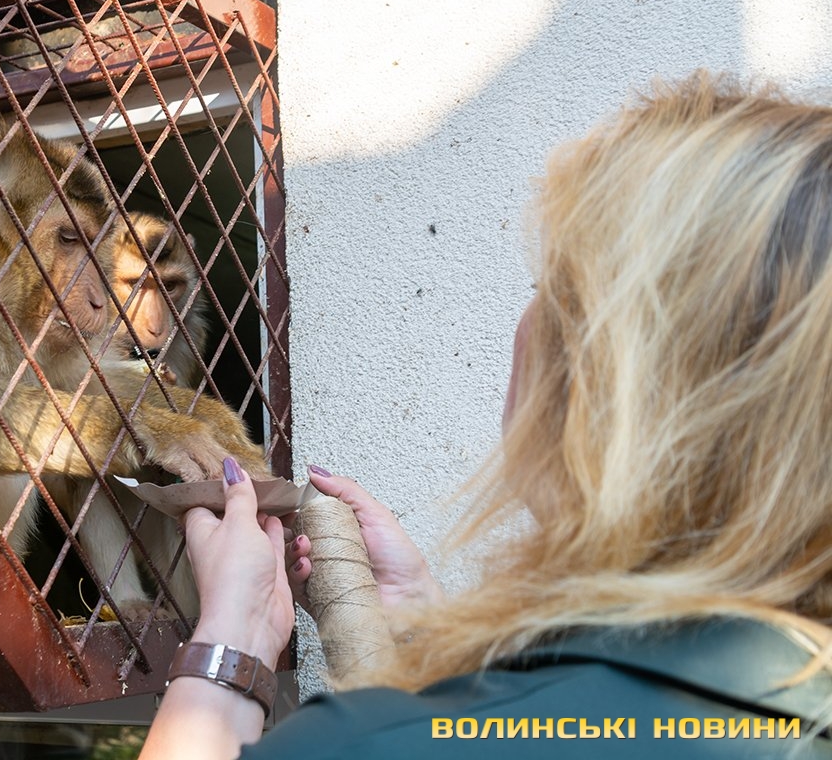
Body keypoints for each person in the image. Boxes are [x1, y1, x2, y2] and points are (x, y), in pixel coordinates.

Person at [138, 71, 832, 758]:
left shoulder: (368, 744)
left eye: (550, 287)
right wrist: (420, 615)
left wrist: (233, 639)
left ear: (607, 382)